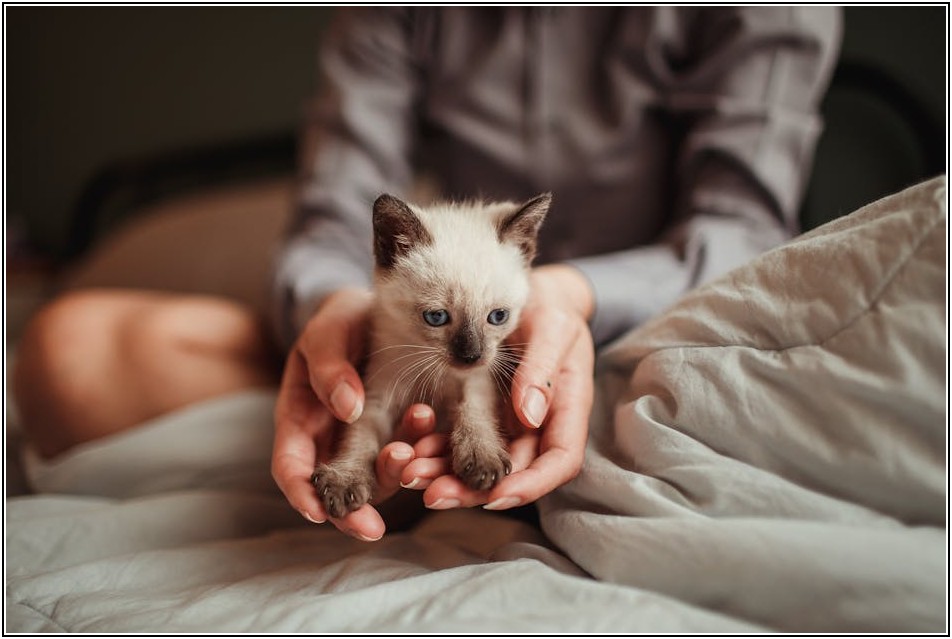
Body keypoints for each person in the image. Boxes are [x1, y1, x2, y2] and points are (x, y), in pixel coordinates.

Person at [12, 7, 841, 543]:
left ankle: (446, 474)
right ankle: (403, 468)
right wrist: (336, 309)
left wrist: (570, 294)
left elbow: (748, 237)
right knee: (67, 347)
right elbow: (336, 219)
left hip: (642, 326)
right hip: (415, 330)